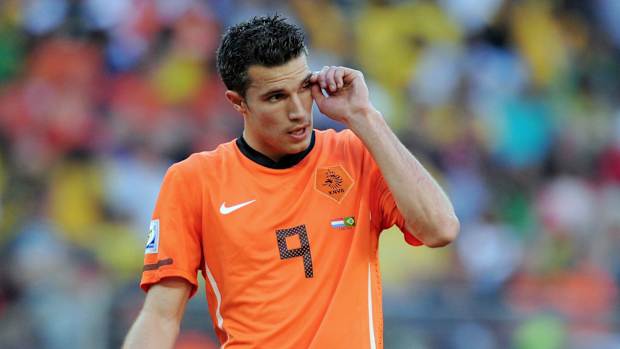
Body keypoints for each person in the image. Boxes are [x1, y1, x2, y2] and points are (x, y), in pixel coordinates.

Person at [123, 15, 459, 349]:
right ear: (238, 102)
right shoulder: (195, 181)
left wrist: (364, 116)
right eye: (276, 97)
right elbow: (160, 316)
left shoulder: (355, 154)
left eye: (303, 89)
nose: (298, 110)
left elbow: (440, 229)